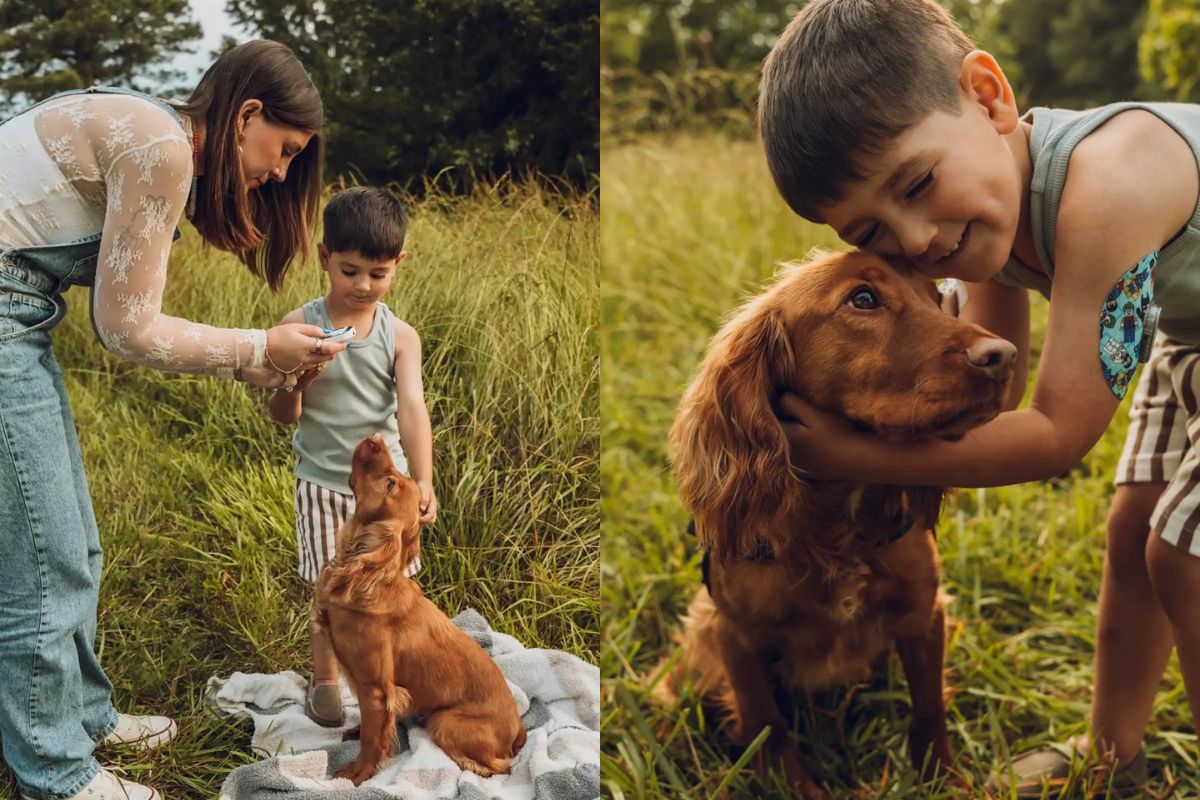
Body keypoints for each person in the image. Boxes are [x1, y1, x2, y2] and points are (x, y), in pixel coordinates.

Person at [757, 0, 1200, 795]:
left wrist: (844, 452)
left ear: (990, 96)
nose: (917, 240)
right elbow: (996, 393)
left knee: (1185, 555)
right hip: (1191, 336)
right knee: (1136, 525)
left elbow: (1060, 434)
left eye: (918, 183)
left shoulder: (1109, 188)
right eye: (869, 233)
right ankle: (1112, 755)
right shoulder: (985, 225)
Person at [0, 40, 349, 800]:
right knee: (43, 554)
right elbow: (126, 328)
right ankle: (54, 775)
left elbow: (122, 318)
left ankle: (82, 718)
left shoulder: (151, 129)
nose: (281, 173)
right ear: (247, 115)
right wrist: (259, 343)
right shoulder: (161, 149)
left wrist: (257, 365)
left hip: (17, 315)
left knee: (74, 542)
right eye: (283, 150)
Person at [266, 186, 437, 727]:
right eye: (350, 271)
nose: (363, 285)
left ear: (398, 265)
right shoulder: (301, 323)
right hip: (323, 484)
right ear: (324, 257)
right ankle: (326, 680)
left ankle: (392, 671)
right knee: (330, 589)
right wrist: (296, 380)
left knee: (393, 587)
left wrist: (424, 480)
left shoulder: (400, 336)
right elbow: (283, 414)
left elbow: (412, 409)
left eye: (378, 273)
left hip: (389, 490)